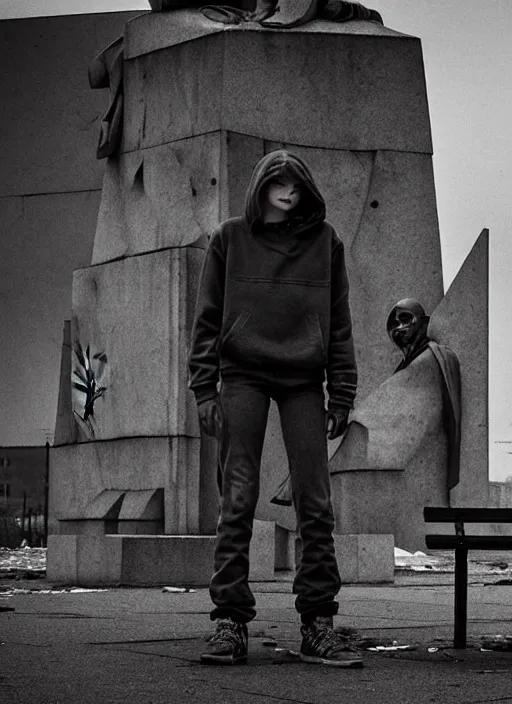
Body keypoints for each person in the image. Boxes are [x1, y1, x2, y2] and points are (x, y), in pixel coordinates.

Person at [188, 149, 360, 667]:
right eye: (277, 183)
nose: (288, 192)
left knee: (314, 501)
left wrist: (342, 393)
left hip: (304, 381)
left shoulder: (325, 243)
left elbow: (339, 323)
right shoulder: (230, 239)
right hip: (242, 375)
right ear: (261, 186)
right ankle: (230, 624)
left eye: (295, 184)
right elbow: (207, 319)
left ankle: (318, 623)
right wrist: (204, 389)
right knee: (237, 499)